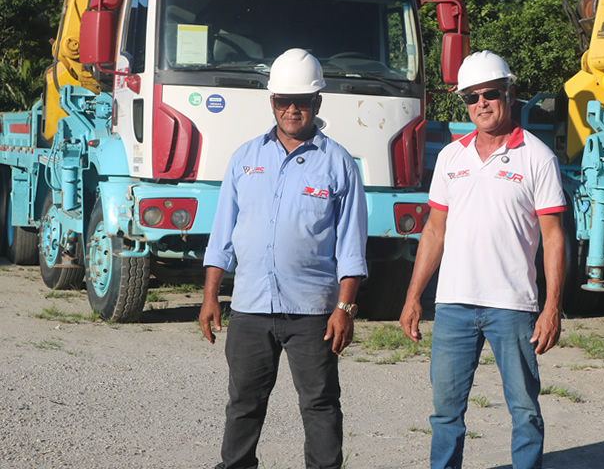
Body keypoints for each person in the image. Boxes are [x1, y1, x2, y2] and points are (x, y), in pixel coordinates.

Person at [200, 48, 368, 469]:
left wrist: (344, 309)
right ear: (271, 101)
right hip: (250, 308)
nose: (292, 110)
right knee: (243, 403)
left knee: (320, 404)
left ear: (317, 103)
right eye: (283, 100)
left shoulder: (339, 165)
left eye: (302, 101)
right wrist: (210, 296)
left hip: (313, 313)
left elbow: (351, 248)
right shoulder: (245, 159)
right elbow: (222, 236)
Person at [399, 50, 566, 469]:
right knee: (445, 414)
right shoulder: (451, 157)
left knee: (525, 410)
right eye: (471, 97)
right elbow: (433, 231)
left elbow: (553, 237)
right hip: (453, 305)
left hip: (512, 305)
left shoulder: (537, 157)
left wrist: (552, 307)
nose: (481, 104)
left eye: (489, 93)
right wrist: (413, 296)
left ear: (509, 92)